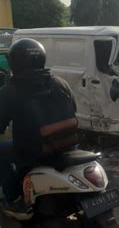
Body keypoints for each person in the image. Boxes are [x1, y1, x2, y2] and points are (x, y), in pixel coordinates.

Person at [0, 38, 77, 220]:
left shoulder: (11, 90)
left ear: (14, 62)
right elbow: (73, 109)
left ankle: (14, 199)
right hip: (67, 146)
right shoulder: (59, 83)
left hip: (32, 152)